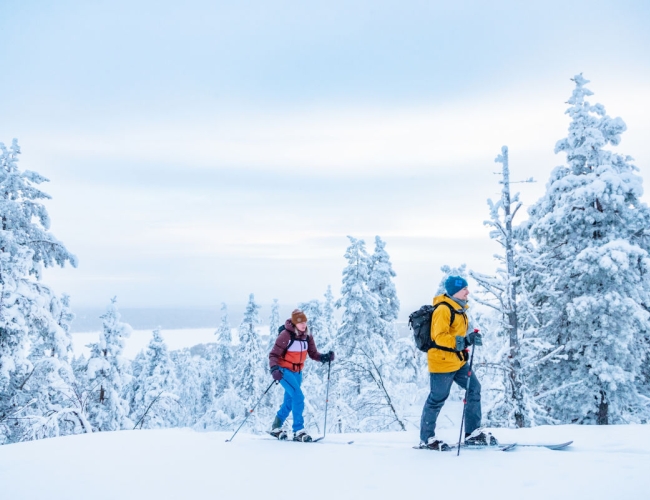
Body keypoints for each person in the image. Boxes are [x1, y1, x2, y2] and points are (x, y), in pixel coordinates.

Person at [418, 275, 495, 450]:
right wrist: (464, 341)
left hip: (458, 361)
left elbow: (458, 335)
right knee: (437, 399)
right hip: (442, 363)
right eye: (464, 289)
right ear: (455, 292)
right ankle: (426, 439)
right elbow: (439, 337)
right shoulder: (444, 310)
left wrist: (470, 338)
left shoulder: (459, 309)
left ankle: (473, 433)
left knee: (474, 388)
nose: (468, 291)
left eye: (467, 288)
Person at [268, 309, 334, 442]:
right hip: (284, 371)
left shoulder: (307, 336)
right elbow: (273, 354)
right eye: (300, 322)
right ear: (294, 323)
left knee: (290, 400)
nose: (303, 325)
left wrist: (324, 357)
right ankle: (298, 430)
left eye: (305, 322)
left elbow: (313, 354)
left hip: (297, 373)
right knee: (298, 396)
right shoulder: (285, 335)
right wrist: (274, 369)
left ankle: (276, 426)